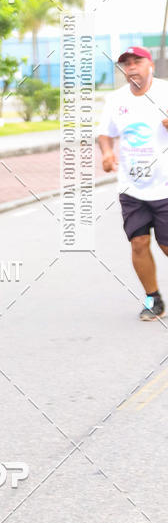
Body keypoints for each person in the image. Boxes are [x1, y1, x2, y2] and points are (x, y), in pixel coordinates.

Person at [98, 46, 168, 320]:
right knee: (138, 243)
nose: (131, 67)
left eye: (136, 61)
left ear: (149, 64)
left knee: (166, 246)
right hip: (131, 187)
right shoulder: (116, 100)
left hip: (164, 185)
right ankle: (153, 298)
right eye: (126, 64)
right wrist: (106, 152)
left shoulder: (165, 92)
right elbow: (105, 133)